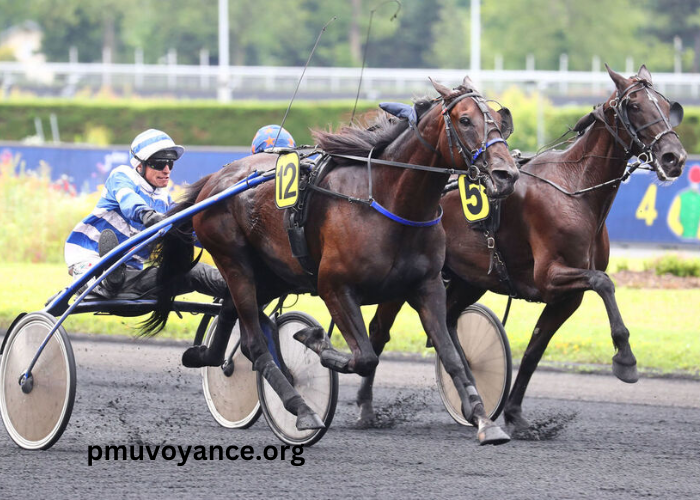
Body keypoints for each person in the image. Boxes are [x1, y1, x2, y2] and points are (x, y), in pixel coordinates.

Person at [64, 128, 227, 300]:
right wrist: (148, 215)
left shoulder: (164, 201)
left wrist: (219, 239)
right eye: (159, 163)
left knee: (196, 272)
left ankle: (246, 289)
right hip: (88, 259)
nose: (166, 170)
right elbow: (129, 200)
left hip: (131, 275)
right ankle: (102, 281)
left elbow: (191, 234)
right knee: (105, 274)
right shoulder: (122, 176)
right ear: (139, 165)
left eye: (170, 163)